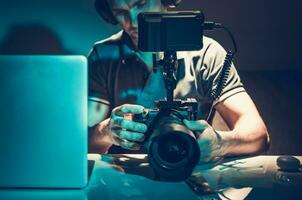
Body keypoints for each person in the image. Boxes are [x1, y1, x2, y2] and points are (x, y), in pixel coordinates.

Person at [88, 0, 270, 162]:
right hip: (125, 178)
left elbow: (258, 136)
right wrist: (105, 132)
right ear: (108, 13)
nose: (133, 22)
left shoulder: (207, 54)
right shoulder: (102, 56)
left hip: (190, 170)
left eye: (141, 4)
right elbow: (82, 142)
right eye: (120, 12)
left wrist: (219, 144)